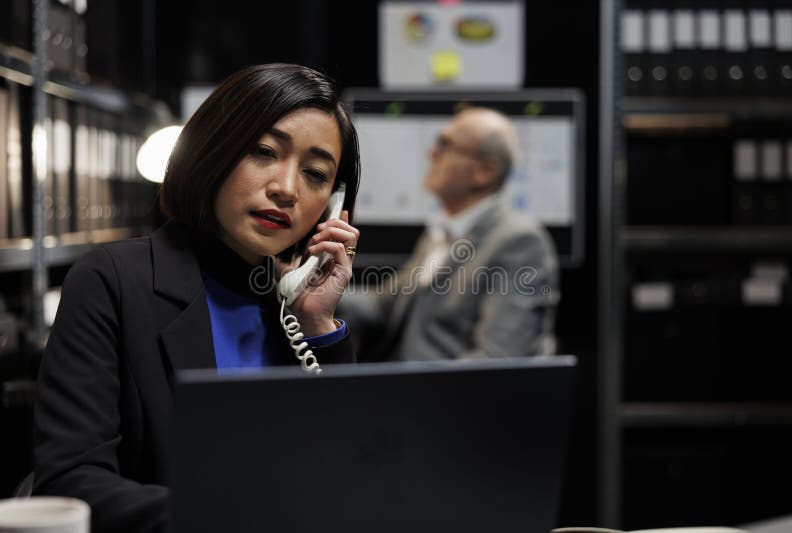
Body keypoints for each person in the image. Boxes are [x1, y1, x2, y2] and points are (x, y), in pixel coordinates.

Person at [31, 63, 361, 533]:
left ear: (333, 202)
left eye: (314, 173)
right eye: (264, 151)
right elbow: (70, 482)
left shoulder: (296, 311)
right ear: (213, 150)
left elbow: (352, 476)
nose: (286, 189)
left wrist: (319, 329)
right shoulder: (113, 280)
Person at [344, 106, 558, 361]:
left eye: (445, 145)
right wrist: (308, 289)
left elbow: (498, 359)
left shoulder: (520, 242)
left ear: (485, 172)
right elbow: (385, 305)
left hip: (445, 397)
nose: (432, 153)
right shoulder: (444, 231)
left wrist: (406, 392)